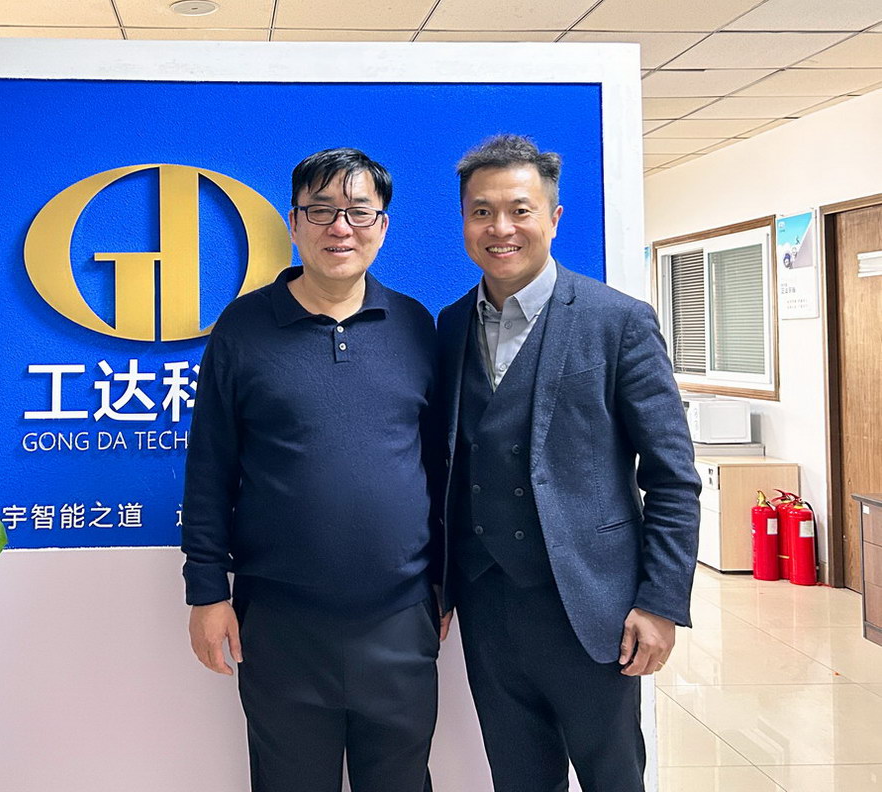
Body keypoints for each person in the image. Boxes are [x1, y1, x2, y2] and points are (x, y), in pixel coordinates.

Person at [436, 134, 700, 792]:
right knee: (518, 777)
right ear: (464, 220)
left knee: (614, 777)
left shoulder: (618, 322)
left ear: (553, 218)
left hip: (595, 605)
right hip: (487, 604)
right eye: (481, 211)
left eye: (519, 210)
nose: (500, 228)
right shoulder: (449, 326)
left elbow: (672, 476)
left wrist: (661, 601)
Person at [181, 147, 447, 792]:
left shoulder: (416, 325)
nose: (340, 228)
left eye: (359, 212)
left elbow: (439, 467)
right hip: (280, 621)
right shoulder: (243, 327)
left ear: (383, 225)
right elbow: (210, 466)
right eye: (321, 211)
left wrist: (444, 585)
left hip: (400, 615)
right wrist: (207, 592)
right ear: (294, 223)